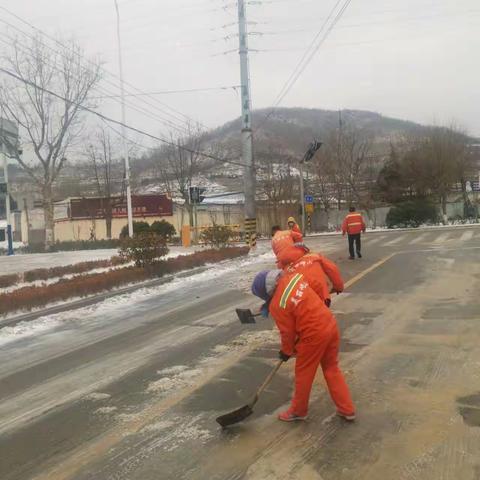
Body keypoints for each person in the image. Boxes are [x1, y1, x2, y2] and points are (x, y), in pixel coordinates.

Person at [251, 269, 355, 422]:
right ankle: (347, 409)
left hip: (312, 335)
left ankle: (298, 411)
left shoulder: (278, 305)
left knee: (303, 373)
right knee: (331, 368)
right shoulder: (294, 278)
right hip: (329, 324)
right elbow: (298, 301)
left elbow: (287, 333)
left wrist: (286, 351)